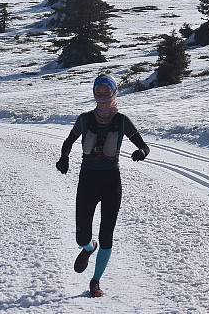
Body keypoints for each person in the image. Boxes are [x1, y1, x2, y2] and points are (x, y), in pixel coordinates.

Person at [56, 74, 150, 298]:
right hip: (88, 180)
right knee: (82, 236)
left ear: (114, 93)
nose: (102, 97)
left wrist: (141, 152)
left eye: (106, 92)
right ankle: (89, 248)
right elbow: (68, 142)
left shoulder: (122, 121)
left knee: (107, 234)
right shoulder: (84, 119)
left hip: (111, 182)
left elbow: (144, 146)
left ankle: (95, 281)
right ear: (93, 94)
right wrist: (64, 158)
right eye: (98, 92)